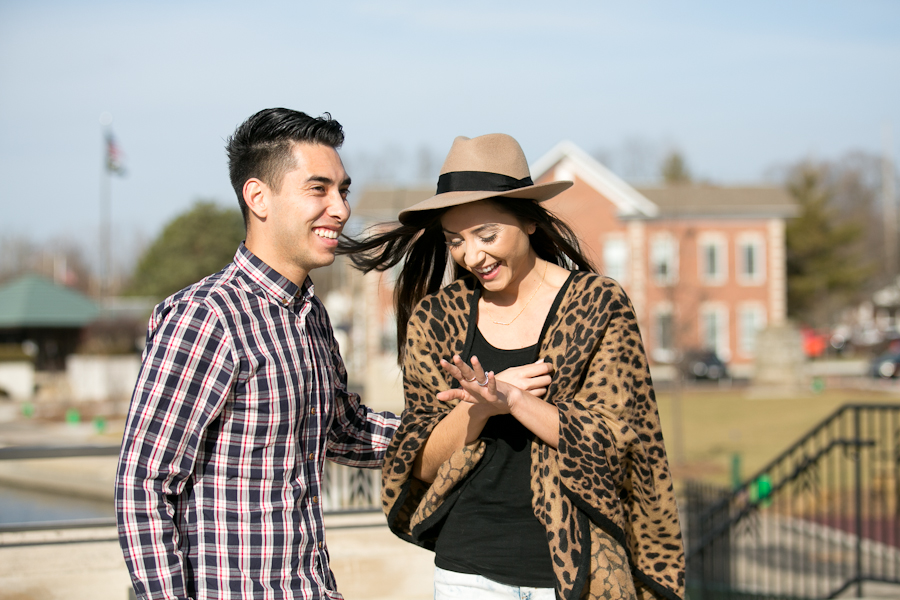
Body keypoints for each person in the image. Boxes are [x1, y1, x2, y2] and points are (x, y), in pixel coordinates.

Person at [341, 134, 684, 600]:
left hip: (577, 573)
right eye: (455, 241)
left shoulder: (600, 304)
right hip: (467, 574)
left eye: (486, 235)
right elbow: (417, 461)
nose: (472, 256)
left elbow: (617, 446)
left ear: (528, 222)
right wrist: (479, 409)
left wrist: (516, 401)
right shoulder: (436, 319)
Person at [115, 108, 400, 600]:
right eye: (319, 189)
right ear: (258, 197)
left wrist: (463, 421)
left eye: (343, 190)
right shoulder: (206, 317)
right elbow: (144, 485)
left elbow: (343, 429)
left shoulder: (310, 315)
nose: (341, 208)